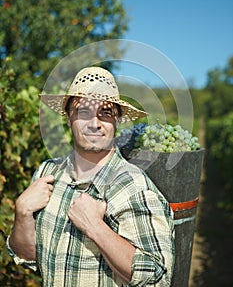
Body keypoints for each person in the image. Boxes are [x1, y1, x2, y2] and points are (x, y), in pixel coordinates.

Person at [7, 66, 175, 286]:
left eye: (105, 113)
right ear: (68, 118)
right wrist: (22, 213)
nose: (94, 124)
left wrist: (95, 227)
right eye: (83, 111)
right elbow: (29, 257)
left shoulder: (134, 187)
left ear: (117, 121)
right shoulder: (47, 173)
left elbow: (159, 278)